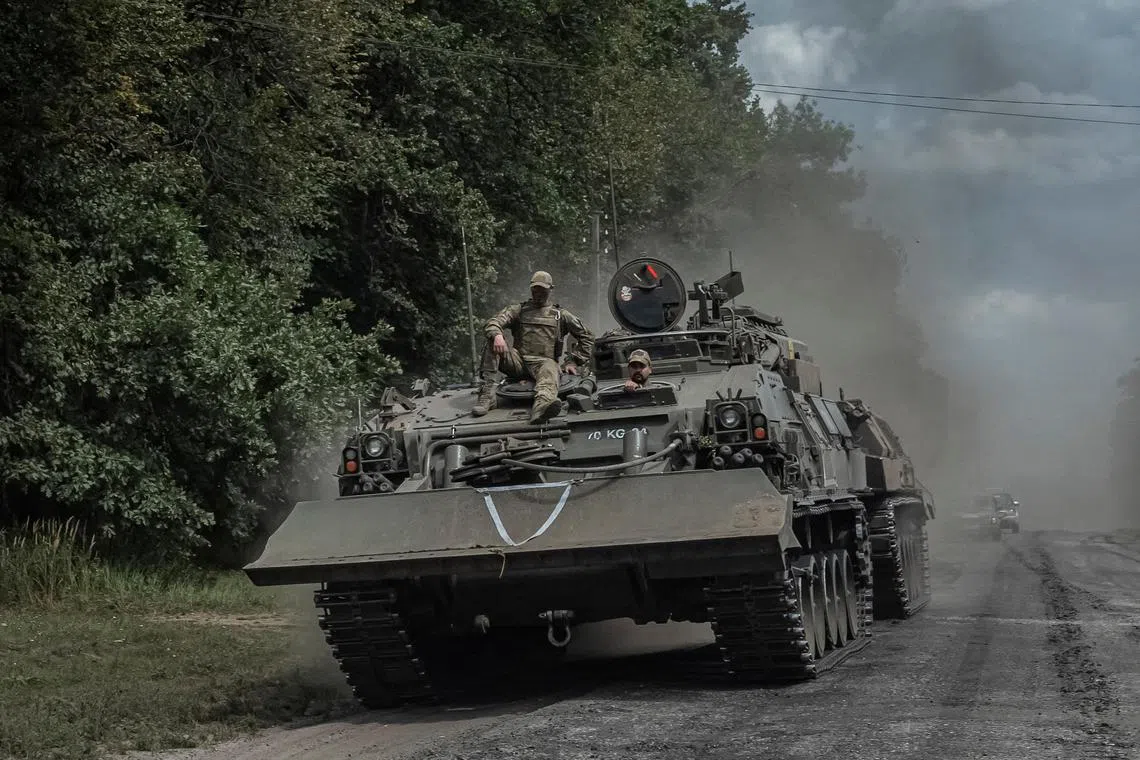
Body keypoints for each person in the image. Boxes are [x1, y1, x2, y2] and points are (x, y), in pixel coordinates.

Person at [473, 270, 595, 423]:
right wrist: (497, 335)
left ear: (550, 289)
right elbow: (493, 322)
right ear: (531, 289)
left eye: (543, 289)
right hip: (517, 362)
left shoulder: (560, 315)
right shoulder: (519, 310)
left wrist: (573, 361)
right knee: (492, 339)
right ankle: (487, 395)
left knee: (550, 367)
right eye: (535, 289)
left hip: (544, 363)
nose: (538, 293)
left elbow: (587, 336)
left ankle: (542, 407)